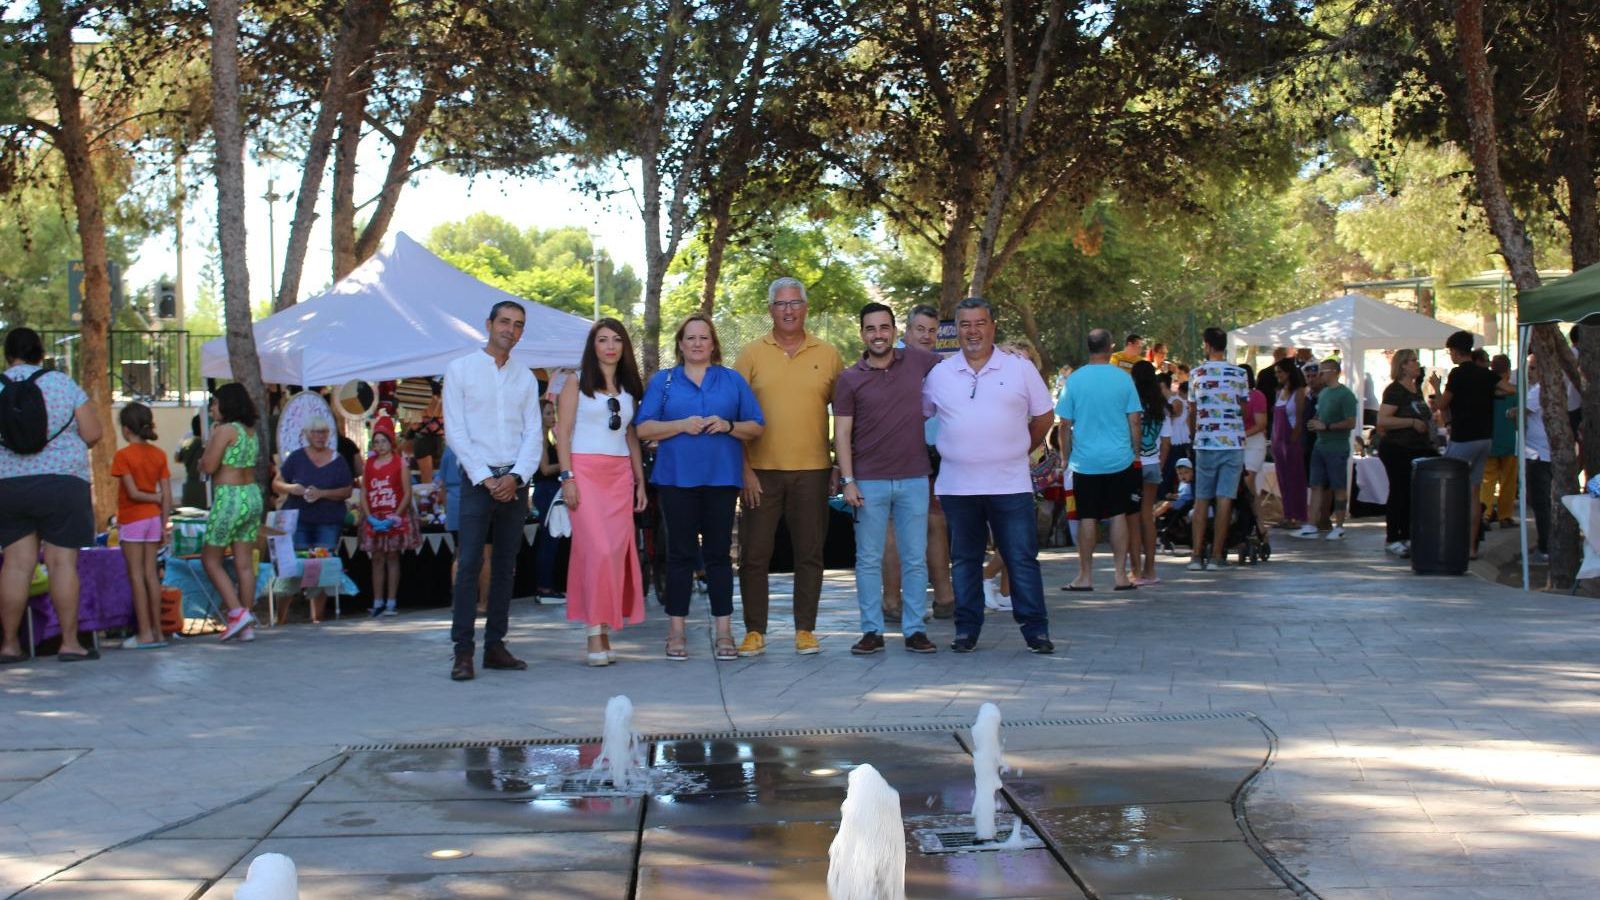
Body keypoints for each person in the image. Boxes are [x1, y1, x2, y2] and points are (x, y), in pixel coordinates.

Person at [923, 298, 1055, 653]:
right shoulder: (940, 374)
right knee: (965, 560)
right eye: (965, 324)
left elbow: (1044, 416)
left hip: (1010, 483)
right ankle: (966, 630)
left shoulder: (1019, 368)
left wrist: (1017, 449)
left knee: (1021, 557)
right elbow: (921, 413)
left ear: (993, 327)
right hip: (958, 487)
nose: (973, 331)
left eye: (980, 323)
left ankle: (1036, 631)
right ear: (956, 330)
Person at [636, 313, 764, 661]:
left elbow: (756, 426)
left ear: (713, 344)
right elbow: (643, 428)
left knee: (719, 556)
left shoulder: (732, 380)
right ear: (680, 343)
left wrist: (727, 425)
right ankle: (676, 631)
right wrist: (680, 425)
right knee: (679, 555)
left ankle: (724, 632)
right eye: (690, 337)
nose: (697, 343)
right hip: (676, 480)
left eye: (703, 337)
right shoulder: (664, 381)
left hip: (721, 479)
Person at [733, 276, 844, 657]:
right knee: (754, 555)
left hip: (813, 471)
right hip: (759, 473)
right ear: (770, 310)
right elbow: (735, 417)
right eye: (781, 304)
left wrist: (837, 465)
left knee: (810, 554)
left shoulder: (828, 354)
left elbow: (844, 415)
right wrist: (744, 469)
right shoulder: (750, 354)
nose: (789, 310)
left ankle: (805, 630)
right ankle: (754, 631)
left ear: (806, 307)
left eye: (795, 302)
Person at [835, 302, 942, 655]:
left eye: (884, 327)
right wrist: (848, 480)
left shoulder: (918, 362)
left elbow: (962, 367)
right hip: (868, 482)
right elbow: (842, 434)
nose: (878, 334)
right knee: (868, 559)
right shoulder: (849, 378)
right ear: (862, 334)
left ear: (895, 332)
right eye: (871, 328)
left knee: (915, 559)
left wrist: (1008, 355)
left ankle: (915, 630)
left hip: (914, 478)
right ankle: (872, 631)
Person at [443, 300, 542, 681]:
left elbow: (534, 433)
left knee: (505, 566)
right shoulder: (460, 370)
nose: (510, 330)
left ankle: (495, 645)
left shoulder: (526, 377)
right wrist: (486, 478)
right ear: (488, 324)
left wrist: (516, 477)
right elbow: (456, 431)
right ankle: (463, 651)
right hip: (476, 482)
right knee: (469, 564)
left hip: (514, 483)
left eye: (518, 325)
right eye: (504, 322)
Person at [0, 329, 103, 664]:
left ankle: (9, 645)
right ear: (40, 353)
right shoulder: (62, 384)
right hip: (62, 483)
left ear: (7, 355)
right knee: (62, 564)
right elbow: (93, 433)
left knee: (16, 565)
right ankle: (70, 643)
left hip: (8, 486)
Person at [555, 318, 649, 667]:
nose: (610, 346)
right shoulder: (575, 381)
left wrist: (640, 480)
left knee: (614, 554)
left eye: (617, 340)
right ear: (592, 346)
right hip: (584, 473)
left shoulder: (629, 387)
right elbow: (562, 432)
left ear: (624, 346)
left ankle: (605, 630)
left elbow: (630, 435)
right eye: (603, 339)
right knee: (596, 551)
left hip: (619, 475)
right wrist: (567, 477)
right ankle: (593, 633)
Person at [878, 304, 957, 620]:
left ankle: (945, 598)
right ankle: (892, 602)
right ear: (907, 331)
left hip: (933, 454)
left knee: (935, 522)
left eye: (932, 330)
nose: (926, 336)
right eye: (920, 329)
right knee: (895, 527)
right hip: (894, 454)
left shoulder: (939, 364)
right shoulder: (890, 361)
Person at [1057, 329, 1142, 593]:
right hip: (1119, 458)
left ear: (1088, 348)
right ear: (1110, 347)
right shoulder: (1123, 378)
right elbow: (1135, 420)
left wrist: (1065, 457)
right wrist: (1136, 452)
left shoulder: (1074, 380)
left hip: (1085, 461)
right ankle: (1120, 576)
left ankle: (1085, 576)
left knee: (1087, 516)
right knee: (1118, 514)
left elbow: (1064, 424)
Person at [272, 415, 354, 622]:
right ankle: (281, 618)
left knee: (322, 567)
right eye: (316, 432)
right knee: (292, 567)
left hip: (328, 521)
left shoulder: (337, 459)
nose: (320, 436)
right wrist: (293, 488)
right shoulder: (297, 457)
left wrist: (322, 493)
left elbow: (347, 490)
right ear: (307, 435)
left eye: (324, 432)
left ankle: (316, 618)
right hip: (298, 521)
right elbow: (277, 483)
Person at [200, 383, 263, 642]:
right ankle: (246, 624)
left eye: (215, 403)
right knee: (244, 563)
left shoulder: (225, 430)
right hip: (252, 496)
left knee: (210, 559)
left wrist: (204, 453)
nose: (212, 408)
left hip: (230, 498)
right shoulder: (250, 431)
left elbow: (208, 466)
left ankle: (237, 613)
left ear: (227, 404)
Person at [1431, 330, 1499, 559]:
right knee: (1474, 491)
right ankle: (1471, 547)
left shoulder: (1458, 374)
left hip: (1463, 437)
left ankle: (1449, 541)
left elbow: (1442, 404)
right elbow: (1507, 387)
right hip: (1484, 437)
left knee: (1449, 489)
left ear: (1455, 351)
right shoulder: (1486, 374)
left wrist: (1436, 386)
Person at [1186, 327, 1250, 571]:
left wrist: (1194, 435)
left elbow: (1192, 411)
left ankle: (1195, 554)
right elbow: (1244, 409)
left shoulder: (1196, 374)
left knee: (1201, 498)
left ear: (1207, 345)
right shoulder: (1239, 374)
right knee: (1225, 498)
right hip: (1232, 442)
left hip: (1205, 442)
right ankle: (1216, 555)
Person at [112, 403, 171, 649]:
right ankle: (158, 632)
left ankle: (144, 632)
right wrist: (163, 522)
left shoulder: (123, 456)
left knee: (136, 575)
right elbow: (167, 495)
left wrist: (153, 497)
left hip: (132, 518)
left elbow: (133, 493)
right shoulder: (159, 454)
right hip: (153, 519)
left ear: (126, 430)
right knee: (151, 574)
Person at [1375, 349, 1436, 557]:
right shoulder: (1394, 390)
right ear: (1402, 365)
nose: (1416, 364)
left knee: (1411, 493)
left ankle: (1408, 534)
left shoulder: (1415, 389)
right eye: (1412, 361)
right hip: (1397, 447)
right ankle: (1393, 537)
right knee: (1399, 491)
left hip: (1417, 447)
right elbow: (1383, 420)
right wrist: (1411, 422)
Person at [359, 417, 420, 616]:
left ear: (391, 441)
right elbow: (364, 491)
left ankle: (391, 602)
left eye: (383, 441)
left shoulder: (400, 463)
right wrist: (369, 516)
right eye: (376, 442)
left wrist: (396, 516)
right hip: (375, 516)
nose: (380, 446)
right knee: (377, 558)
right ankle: (377, 601)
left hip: (394, 516)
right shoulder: (368, 464)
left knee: (393, 556)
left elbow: (407, 492)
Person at [1297, 358, 1358, 540]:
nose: (1319, 375)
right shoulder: (1323, 394)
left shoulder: (1346, 395)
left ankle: (1339, 525)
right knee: (1316, 485)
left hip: (1337, 447)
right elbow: (1319, 413)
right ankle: (1311, 523)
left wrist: (1327, 426)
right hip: (1319, 445)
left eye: (1322, 372)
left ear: (1334, 372)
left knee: (1338, 486)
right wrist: (1314, 422)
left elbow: (1351, 422)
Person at [1128, 360, 1170, 585]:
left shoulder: (1131, 402)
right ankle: (1151, 570)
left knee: (1132, 518)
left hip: (1132, 464)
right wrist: (1159, 466)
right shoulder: (1161, 406)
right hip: (1153, 463)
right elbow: (1166, 442)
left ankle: (1135, 571)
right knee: (1148, 516)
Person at [1270, 358, 1309, 529]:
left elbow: (1299, 418)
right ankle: (1287, 514)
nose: (1277, 375)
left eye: (1280, 372)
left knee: (1295, 478)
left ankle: (1298, 515)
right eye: (1276, 372)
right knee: (1282, 478)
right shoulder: (1279, 392)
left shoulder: (1298, 392)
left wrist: (1295, 436)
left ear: (1288, 372)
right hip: (1278, 440)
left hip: (1291, 439)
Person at [1480, 354, 1518, 529]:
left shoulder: (1485, 391)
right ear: (1508, 371)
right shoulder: (1515, 392)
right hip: (1509, 441)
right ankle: (1505, 515)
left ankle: (1485, 514)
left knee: (1487, 480)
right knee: (1508, 481)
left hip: (1489, 440)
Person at [410, 379, 445, 485]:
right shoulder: (445, 402)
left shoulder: (420, 403)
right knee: (443, 479)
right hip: (441, 440)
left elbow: (414, 426)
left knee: (427, 481)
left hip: (423, 441)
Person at [1241, 364, 1269, 494]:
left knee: (1247, 480)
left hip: (1254, 443)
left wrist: (1243, 434)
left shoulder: (1257, 396)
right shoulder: (1232, 396)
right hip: (1238, 444)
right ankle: (1254, 507)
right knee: (1249, 486)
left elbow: (1261, 424)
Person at [175, 415, 208, 508]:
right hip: (204, 489)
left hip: (189, 486)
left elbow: (177, 457)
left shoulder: (188, 442)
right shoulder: (207, 444)